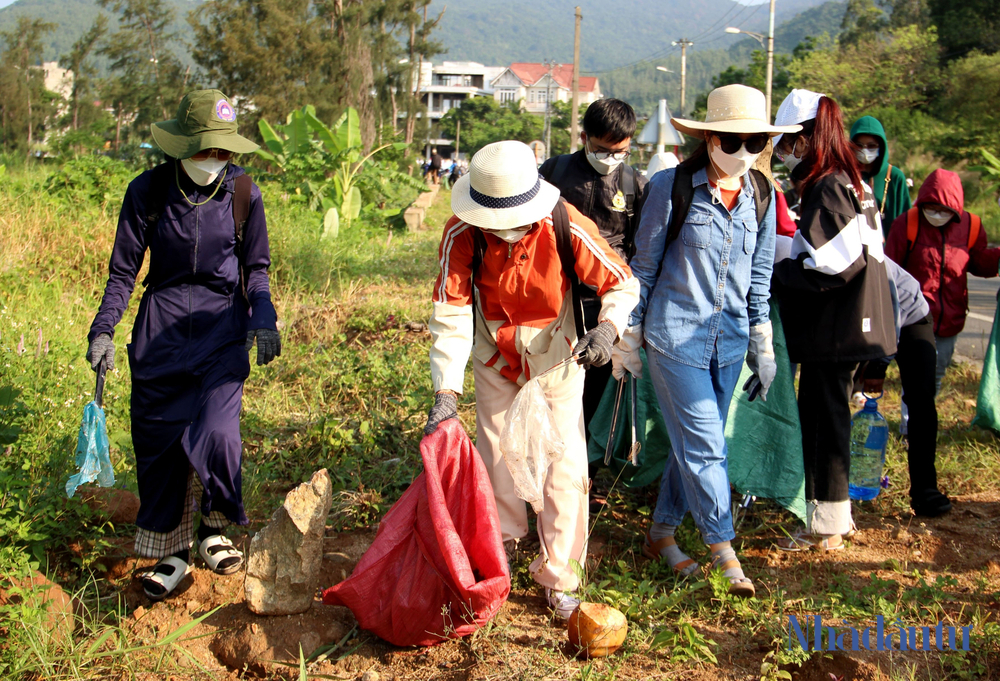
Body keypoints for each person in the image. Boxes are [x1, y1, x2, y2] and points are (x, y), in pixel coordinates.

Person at [424, 141, 639, 619]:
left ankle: (562, 575)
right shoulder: (462, 233)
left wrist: (608, 327)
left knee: (563, 467)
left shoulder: (565, 225)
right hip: (494, 355)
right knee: (497, 458)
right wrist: (445, 390)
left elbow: (621, 281)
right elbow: (451, 314)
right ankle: (496, 557)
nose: (505, 232)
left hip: (559, 357)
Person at [86, 90, 281, 601]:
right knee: (162, 443)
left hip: (221, 328)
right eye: (205, 152)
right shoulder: (147, 192)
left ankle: (214, 529)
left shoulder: (243, 192)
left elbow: (255, 269)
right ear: (181, 147)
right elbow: (123, 272)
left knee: (218, 434)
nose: (214, 161)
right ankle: (173, 552)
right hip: (161, 332)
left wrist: (263, 315)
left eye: (223, 152)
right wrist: (103, 330)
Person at [613, 84, 795, 597]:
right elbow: (644, 268)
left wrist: (762, 343)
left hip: (730, 341)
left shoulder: (764, 194)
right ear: (709, 139)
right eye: (731, 141)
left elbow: (759, 280)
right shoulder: (672, 187)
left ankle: (661, 535)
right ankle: (724, 548)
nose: (742, 152)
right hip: (674, 339)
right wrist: (629, 334)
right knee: (707, 445)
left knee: (690, 446)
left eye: (754, 142)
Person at [771, 89, 896, 551]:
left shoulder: (828, 185)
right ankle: (832, 514)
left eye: (787, 143)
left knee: (824, 421)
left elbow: (834, 265)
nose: (784, 153)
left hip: (838, 328)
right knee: (829, 416)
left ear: (805, 140)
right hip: (855, 324)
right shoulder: (852, 181)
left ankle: (825, 524)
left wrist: (778, 271)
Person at [538, 98, 648, 484]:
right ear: (583, 137)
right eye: (602, 150)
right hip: (557, 297)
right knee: (552, 382)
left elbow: (640, 251)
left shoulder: (634, 184)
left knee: (599, 387)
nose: (610, 158)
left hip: (607, 301)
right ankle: (543, 467)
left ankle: (586, 472)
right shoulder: (554, 172)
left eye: (620, 151)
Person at [885, 168, 1000, 395]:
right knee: (917, 373)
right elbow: (889, 269)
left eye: (943, 210)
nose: (936, 214)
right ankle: (910, 424)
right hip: (914, 317)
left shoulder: (972, 226)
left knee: (937, 372)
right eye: (931, 208)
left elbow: (977, 263)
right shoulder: (906, 224)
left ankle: (924, 419)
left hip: (950, 319)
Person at [859, 259, 952, 517]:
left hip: (909, 316)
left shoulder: (870, 259)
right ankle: (836, 487)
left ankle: (925, 490)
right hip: (864, 323)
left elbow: (891, 316)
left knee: (920, 397)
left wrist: (878, 368)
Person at [850, 116, 912, 233]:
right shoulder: (845, 175)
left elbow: (906, 220)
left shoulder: (895, 176)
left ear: (881, 146)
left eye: (871, 146)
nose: (865, 150)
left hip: (887, 247)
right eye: (859, 145)